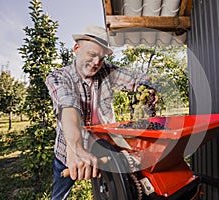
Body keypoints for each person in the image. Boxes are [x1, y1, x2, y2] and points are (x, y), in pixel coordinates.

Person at [45, 25, 158, 199]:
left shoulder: (107, 72)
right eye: (92, 54)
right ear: (76, 49)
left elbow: (139, 78)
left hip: (105, 149)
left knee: (116, 191)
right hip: (69, 150)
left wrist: (148, 89)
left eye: (101, 57)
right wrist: (75, 148)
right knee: (59, 195)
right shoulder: (59, 77)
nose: (97, 62)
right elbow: (68, 107)